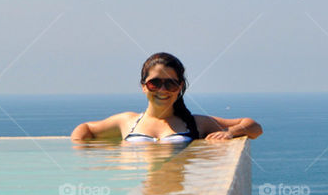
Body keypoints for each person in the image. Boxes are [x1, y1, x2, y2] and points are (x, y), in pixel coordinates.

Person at [70, 52, 263, 143]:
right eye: (155, 83)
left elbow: (254, 127)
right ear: (144, 86)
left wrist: (231, 132)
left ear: (179, 87)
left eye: (170, 83)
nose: (163, 89)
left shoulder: (196, 123)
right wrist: (80, 157)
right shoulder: (127, 121)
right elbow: (84, 128)